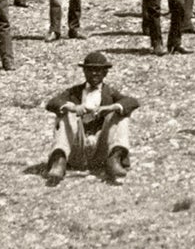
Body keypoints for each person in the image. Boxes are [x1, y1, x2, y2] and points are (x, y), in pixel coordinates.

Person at [43, 49, 139, 187]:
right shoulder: (74, 92)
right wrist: (73, 108)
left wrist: (111, 107)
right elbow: (52, 103)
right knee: (65, 111)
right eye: (90, 70)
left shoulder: (110, 93)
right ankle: (59, 160)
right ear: (84, 72)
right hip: (77, 149)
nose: (94, 73)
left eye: (98, 70)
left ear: (105, 73)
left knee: (120, 112)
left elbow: (132, 102)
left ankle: (115, 159)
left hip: (101, 151)